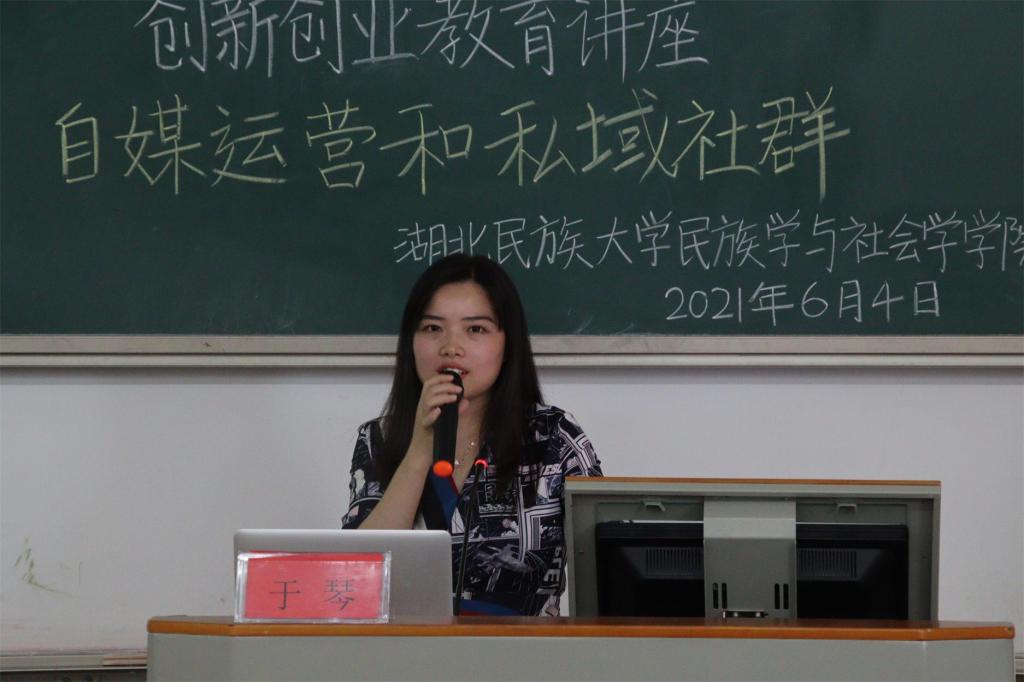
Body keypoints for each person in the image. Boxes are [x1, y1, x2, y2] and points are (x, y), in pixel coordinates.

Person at [342, 254, 603, 616]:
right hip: (409, 648)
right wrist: (420, 450)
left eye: (475, 329)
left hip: (526, 650)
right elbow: (357, 576)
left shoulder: (553, 439)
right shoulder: (380, 438)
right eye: (432, 328)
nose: (451, 346)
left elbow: (606, 569)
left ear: (507, 344)